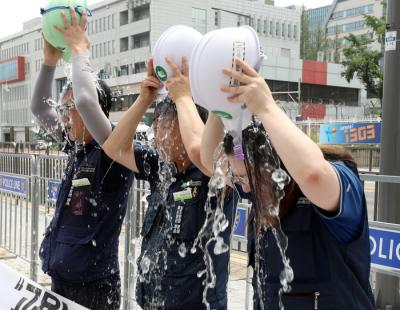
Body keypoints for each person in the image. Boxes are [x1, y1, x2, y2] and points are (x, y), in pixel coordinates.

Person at [200, 57, 376, 310]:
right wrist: (218, 107)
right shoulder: (262, 189)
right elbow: (208, 162)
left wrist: (267, 108)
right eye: (237, 178)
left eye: (246, 178)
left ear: (276, 165)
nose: (243, 187)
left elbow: (312, 173)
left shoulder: (336, 177)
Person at [102, 56, 238, 309]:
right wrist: (144, 99)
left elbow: (207, 150)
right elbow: (113, 149)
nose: (159, 138)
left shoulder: (217, 173)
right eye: (157, 128)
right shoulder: (161, 168)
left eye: (167, 128)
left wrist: (184, 97)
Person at [31, 7, 133, 309]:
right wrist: (49, 62)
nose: (62, 118)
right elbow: (39, 107)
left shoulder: (112, 152)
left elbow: (87, 101)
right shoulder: (76, 148)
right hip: (62, 283)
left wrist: (79, 51)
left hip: (95, 290)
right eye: (62, 111)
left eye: (68, 109)